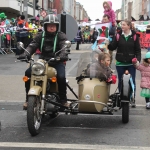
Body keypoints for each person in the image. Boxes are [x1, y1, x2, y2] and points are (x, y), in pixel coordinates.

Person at [17, 14, 69, 110]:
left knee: (61, 77)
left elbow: (63, 46)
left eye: (54, 25)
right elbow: (32, 45)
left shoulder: (61, 35)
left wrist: (63, 55)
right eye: (49, 25)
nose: (52, 27)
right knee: (28, 73)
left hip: (57, 60)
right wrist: (26, 53)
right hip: (43, 61)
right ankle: (28, 99)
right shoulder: (40, 35)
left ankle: (63, 100)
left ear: (57, 26)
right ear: (45, 26)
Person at [108, 20, 141, 107]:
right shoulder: (118, 35)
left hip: (131, 63)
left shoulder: (134, 36)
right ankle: (122, 99)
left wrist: (137, 60)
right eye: (121, 25)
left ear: (129, 26)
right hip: (120, 63)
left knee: (132, 81)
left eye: (124, 25)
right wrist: (107, 43)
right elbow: (113, 47)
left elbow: (138, 50)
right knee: (121, 81)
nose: (122, 26)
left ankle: (132, 98)